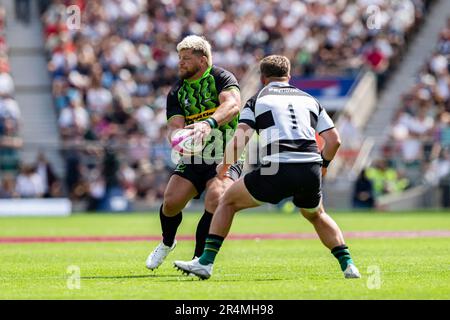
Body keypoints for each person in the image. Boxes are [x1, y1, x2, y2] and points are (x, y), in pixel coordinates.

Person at [174, 55, 361, 279]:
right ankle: (349, 265)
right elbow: (334, 140)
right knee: (316, 214)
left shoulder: (257, 99)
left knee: (228, 201)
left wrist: (224, 167)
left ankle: (205, 263)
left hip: (278, 167)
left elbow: (241, 137)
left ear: (263, 78)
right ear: (289, 76)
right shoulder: (309, 99)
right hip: (310, 167)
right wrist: (324, 166)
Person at [145, 35, 242, 270]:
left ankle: (199, 260)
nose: (180, 63)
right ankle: (168, 243)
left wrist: (207, 124)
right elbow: (175, 126)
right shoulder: (177, 91)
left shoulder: (221, 77)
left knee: (216, 198)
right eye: (179, 58)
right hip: (195, 155)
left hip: (225, 151)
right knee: (171, 202)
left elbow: (232, 105)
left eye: (186, 58)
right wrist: (178, 139)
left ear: (203, 60)